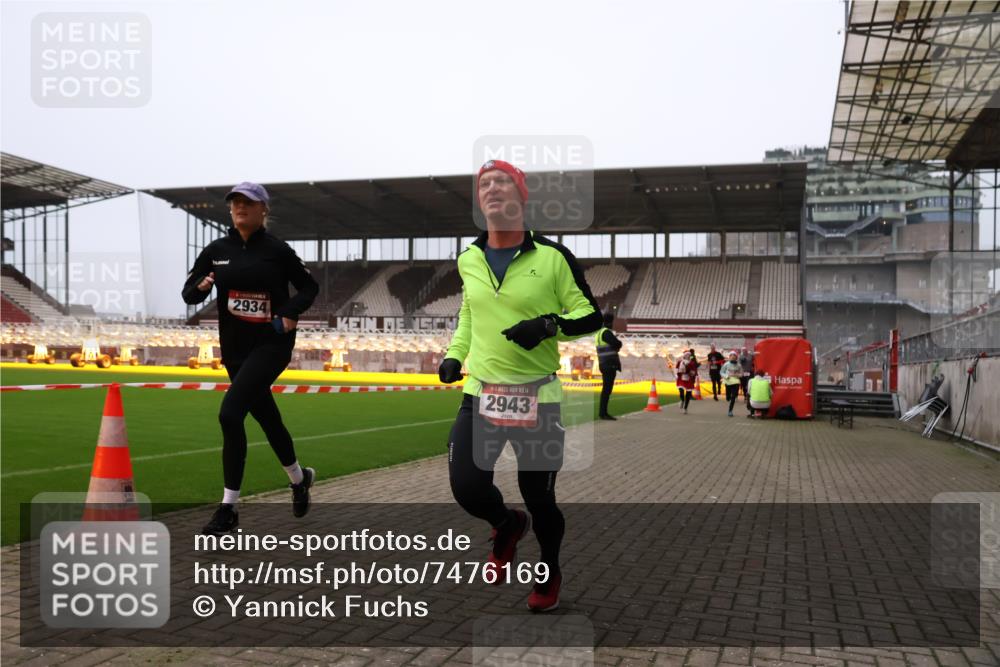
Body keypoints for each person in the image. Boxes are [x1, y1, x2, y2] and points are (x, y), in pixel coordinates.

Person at [437, 159, 602, 612]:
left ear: (521, 195)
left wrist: (548, 325)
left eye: (502, 182)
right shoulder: (468, 258)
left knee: (541, 498)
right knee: (467, 488)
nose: (492, 189)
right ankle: (507, 524)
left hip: (538, 399)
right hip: (481, 394)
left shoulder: (553, 257)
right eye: (484, 183)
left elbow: (589, 315)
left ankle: (548, 568)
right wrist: (455, 354)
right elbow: (469, 313)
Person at [182, 182, 320, 536]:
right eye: (236, 202)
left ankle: (228, 509)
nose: (241, 207)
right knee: (268, 418)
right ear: (230, 210)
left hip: (272, 345)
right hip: (235, 351)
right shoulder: (216, 250)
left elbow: (309, 287)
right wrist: (199, 289)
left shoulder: (278, 251)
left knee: (230, 414)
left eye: (249, 202)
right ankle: (299, 478)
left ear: (264, 211)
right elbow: (188, 293)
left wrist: (290, 312)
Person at [595, 312, 623, 420]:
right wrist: (618, 345)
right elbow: (617, 344)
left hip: (603, 363)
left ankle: (603, 412)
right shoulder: (606, 332)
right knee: (607, 389)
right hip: (609, 364)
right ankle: (603, 413)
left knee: (606, 389)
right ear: (610, 322)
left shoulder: (599, 333)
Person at [720, 352, 742, 417]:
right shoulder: (726, 364)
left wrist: (737, 375)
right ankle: (727, 397)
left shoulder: (739, 365)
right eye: (731, 356)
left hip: (736, 381)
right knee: (728, 397)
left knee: (733, 396)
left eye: (734, 356)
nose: (733, 357)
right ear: (729, 357)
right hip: (728, 381)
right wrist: (726, 376)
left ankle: (730, 411)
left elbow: (741, 374)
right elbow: (721, 372)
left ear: (736, 357)